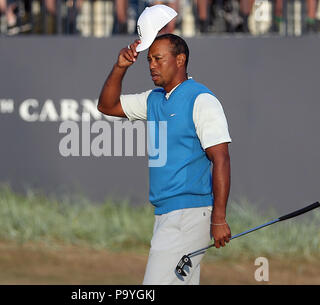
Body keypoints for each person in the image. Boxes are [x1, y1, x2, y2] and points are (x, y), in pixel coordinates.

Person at [97, 34, 232, 285]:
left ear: (180, 60)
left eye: (158, 58)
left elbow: (221, 159)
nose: (151, 65)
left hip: (188, 217)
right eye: (149, 60)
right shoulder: (154, 99)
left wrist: (219, 218)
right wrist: (120, 68)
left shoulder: (201, 100)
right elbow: (107, 106)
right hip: (166, 215)